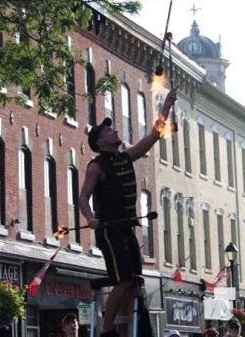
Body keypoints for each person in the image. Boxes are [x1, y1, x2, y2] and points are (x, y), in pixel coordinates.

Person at [79, 87, 178, 337]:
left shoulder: (125, 157)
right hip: (109, 230)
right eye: (109, 130)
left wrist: (166, 107)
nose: (114, 130)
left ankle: (124, 332)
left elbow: (154, 136)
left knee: (133, 284)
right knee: (123, 280)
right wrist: (90, 218)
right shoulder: (96, 166)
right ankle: (107, 329)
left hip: (126, 228)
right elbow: (82, 197)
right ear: (100, 141)